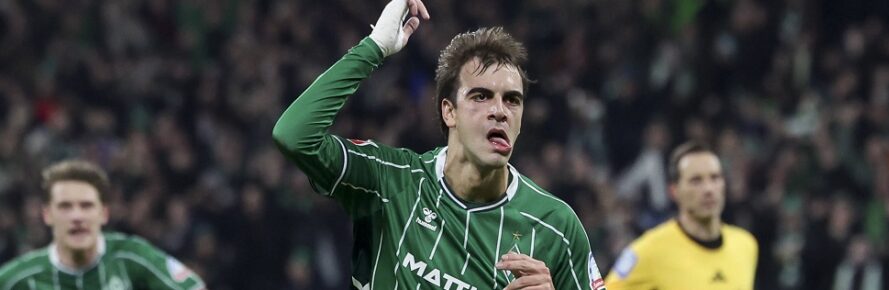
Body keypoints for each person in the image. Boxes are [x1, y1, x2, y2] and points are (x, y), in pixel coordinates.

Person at [271, 0, 604, 289]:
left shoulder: (556, 226)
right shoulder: (392, 182)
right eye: (481, 96)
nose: (500, 111)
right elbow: (295, 135)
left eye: (512, 100)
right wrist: (373, 47)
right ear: (449, 111)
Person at [0, 160, 205, 290]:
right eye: (65, 206)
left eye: (86, 206)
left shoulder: (131, 257)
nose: (77, 216)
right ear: (47, 215)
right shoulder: (17, 279)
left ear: (104, 213)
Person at [604, 142, 758, 290]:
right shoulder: (648, 252)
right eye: (696, 180)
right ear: (674, 191)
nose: (708, 189)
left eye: (715, 178)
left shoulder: (745, 245)